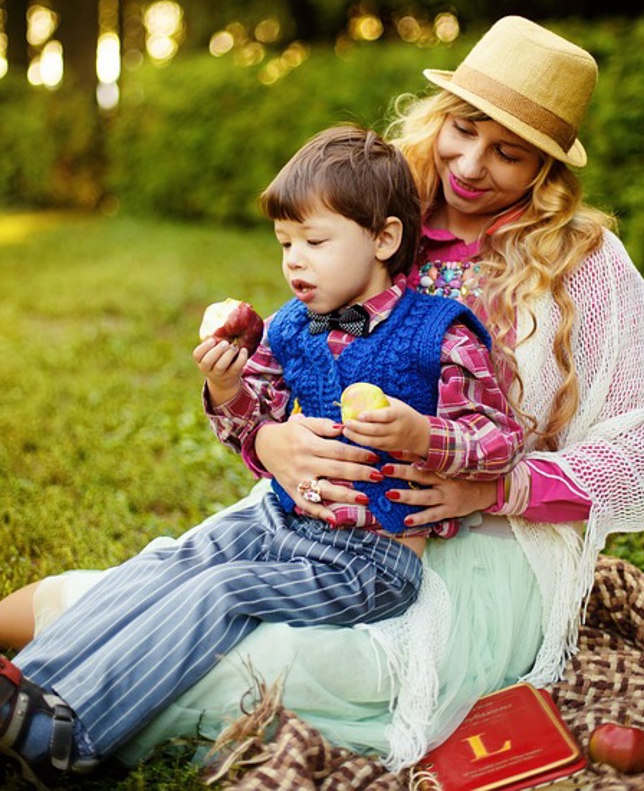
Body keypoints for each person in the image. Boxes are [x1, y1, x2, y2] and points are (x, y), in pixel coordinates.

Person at [0, 16, 644, 780]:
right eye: (462, 130)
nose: (472, 164)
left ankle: (64, 716)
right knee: (168, 574)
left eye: (509, 152)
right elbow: (303, 358)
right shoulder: (388, 200)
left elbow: (627, 454)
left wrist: (486, 484)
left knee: (262, 648)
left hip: (476, 545)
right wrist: (271, 441)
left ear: (548, 166)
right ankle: (33, 689)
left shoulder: (585, 260)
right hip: (317, 510)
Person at [0, 126, 524, 789]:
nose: (294, 262)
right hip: (282, 520)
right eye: (285, 244)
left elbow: (499, 439)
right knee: (169, 558)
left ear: (385, 240)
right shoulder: (287, 326)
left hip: (372, 558)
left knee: (222, 588)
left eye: (315, 241)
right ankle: (28, 688)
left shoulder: (438, 331)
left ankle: (66, 741)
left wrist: (425, 437)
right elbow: (256, 427)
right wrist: (226, 385)